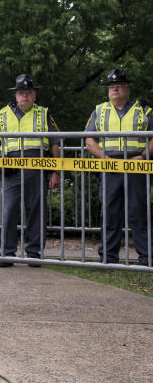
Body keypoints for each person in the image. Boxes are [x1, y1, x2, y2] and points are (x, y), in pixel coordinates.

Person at [0, 74, 60, 268]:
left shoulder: (44, 114)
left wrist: (56, 171)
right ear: (16, 95)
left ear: (34, 95)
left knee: (36, 211)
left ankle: (33, 253)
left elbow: (54, 144)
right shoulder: (2, 115)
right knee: (9, 211)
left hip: (37, 167)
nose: (25, 96)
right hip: (11, 169)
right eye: (21, 93)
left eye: (28, 93)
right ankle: (7, 253)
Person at [84, 69, 153, 266]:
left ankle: (147, 258)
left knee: (139, 213)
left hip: (136, 167)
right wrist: (103, 157)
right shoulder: (99, 110)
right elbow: (89, 140)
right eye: (111, 86)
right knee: (109, 213)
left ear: (127, 89)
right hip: (110, 167)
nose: (115, 89)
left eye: (119, 85)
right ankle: (108, 257)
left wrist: (143, 156)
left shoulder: (144, 110)